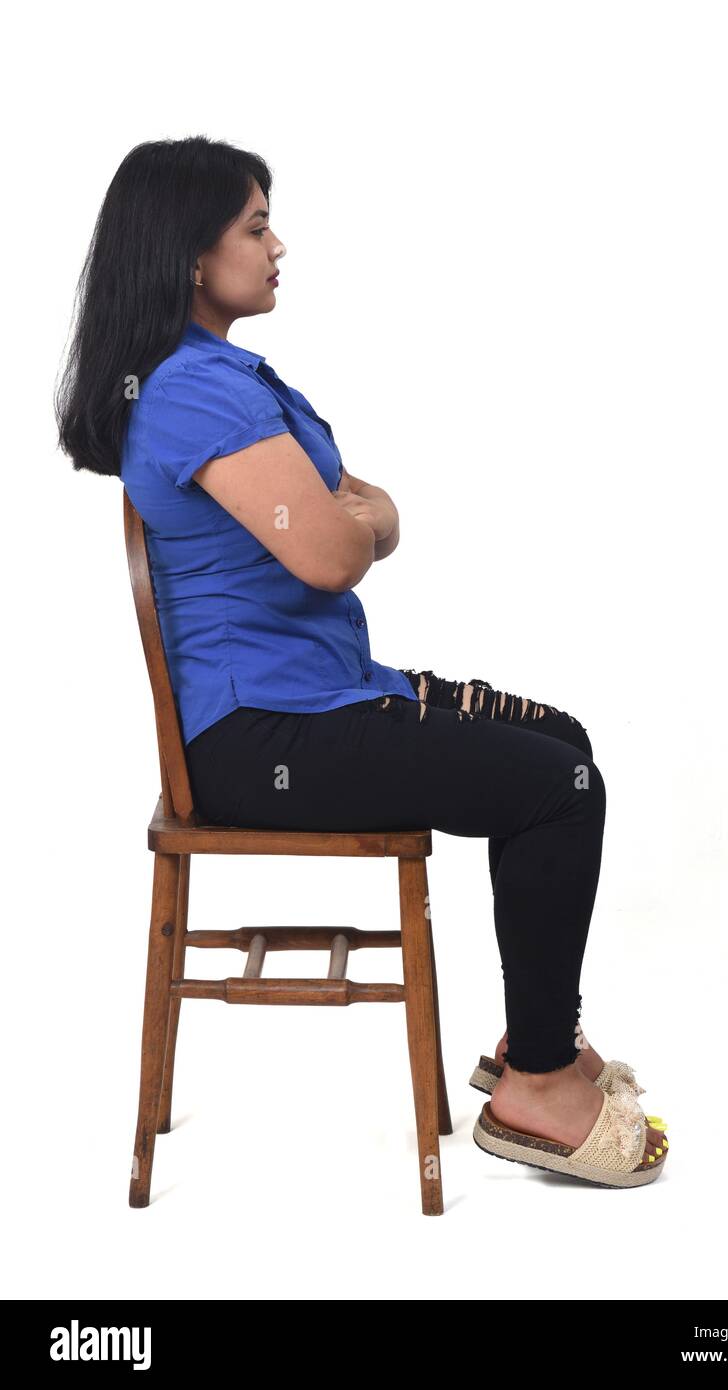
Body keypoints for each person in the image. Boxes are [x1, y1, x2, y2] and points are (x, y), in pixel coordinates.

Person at [56, 135, 668, 1187]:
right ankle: (538, 1087)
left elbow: (356, 509)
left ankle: (539, 1044)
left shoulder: (216, 377)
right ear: (190, 257)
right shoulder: (198, 393)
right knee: (562, 789)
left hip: (313, 703)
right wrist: (365, 526)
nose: (277, 244)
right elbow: (338, 546)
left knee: (557, 744)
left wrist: (363, 520)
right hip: (265, 738)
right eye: (255, 226)